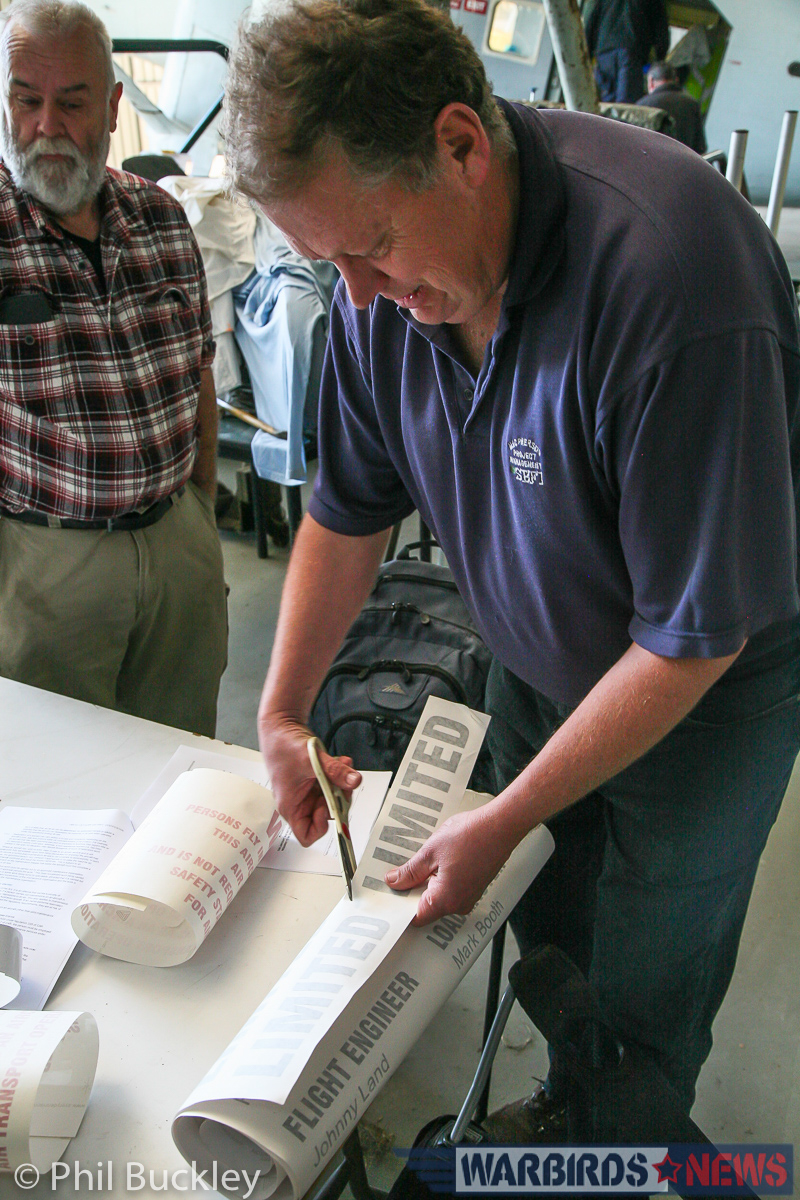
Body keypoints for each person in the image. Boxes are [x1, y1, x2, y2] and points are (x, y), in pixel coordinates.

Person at [225, 0, 800, 1128]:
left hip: (699, 711)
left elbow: (690, 639)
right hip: (536, 668)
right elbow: (348, 512)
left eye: (371, 247)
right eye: (323, 260)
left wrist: (504, 814)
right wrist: (280, 710)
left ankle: (620, 1133)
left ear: (459, 144)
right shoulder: (376, 289)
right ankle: (565, 1107)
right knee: (550, 926)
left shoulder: (670, 277)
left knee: (645, 982)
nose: (356, 297)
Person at [0, 0, 227, 736]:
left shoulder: (161, 219)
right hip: (46, 563)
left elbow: (199, 375)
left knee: (184, 762)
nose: (45, 126)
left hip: (175, 543)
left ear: (113, 106)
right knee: (59, 785)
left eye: (71, 103)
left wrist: (196, 514)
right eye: (25, 101)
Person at [584, 0, 669, 103]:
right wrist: (660, 59)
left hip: (605, 53)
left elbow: (591, 22)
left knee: (607, 101)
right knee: (626, 103)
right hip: (631, 51)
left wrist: (586, 53)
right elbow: (661, 29)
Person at [636, 61, 707, 154]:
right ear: (676, 80)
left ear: (651, 81)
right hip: (684, 164)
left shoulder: (642, 106)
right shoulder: (692, 104)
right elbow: (700, 147)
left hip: (654, 164)